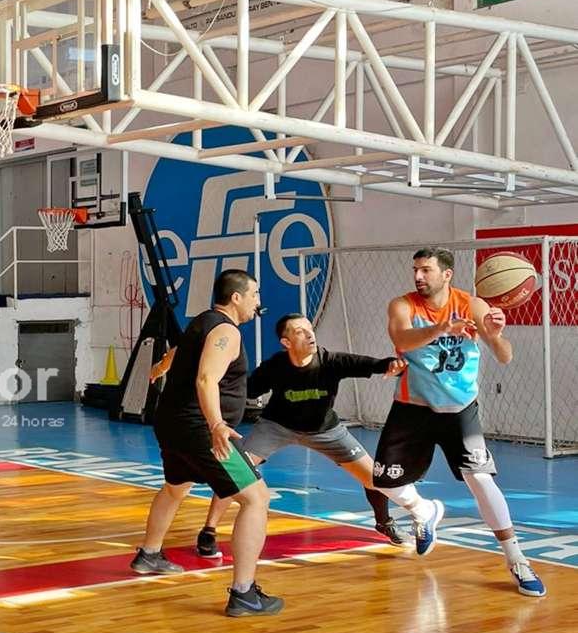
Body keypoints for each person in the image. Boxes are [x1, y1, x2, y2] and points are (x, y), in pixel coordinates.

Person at [372, 247, 545, 597]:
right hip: (413, 408)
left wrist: (495, 334)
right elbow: (402, 339)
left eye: (426, 270)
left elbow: (504, 356)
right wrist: (443, 328)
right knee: (384, 482)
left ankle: (517, 559)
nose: (418, 276)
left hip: (460, 408)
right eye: (416, 270)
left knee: (480, 478)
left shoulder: (472, 305)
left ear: (447, 274)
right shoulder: (402, 305)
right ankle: (424, 510)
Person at [190, 313, 417, 557]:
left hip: (325, 430)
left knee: (375, 478)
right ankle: (209, 530)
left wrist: (393, 365)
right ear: (286, 342)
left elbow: (372, 364)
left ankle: (384, 522)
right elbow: (246, 390)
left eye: (310, 329)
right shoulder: (275, 366)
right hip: (276, 427)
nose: (310, 335)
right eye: (300, 331)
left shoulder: (330, 361)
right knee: (237, 471)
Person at [133, 268, 284, 617]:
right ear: (236, 297)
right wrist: (216, 424)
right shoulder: (227, 331)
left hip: (172, 424)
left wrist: (161, 366)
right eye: (255, 295)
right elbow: (206, 378)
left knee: (175, 488)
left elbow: (179, 351)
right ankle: (244, 594)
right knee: (256, 499)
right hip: (200, 429)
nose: (257, 302)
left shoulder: (202, 322)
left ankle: (149, 554)